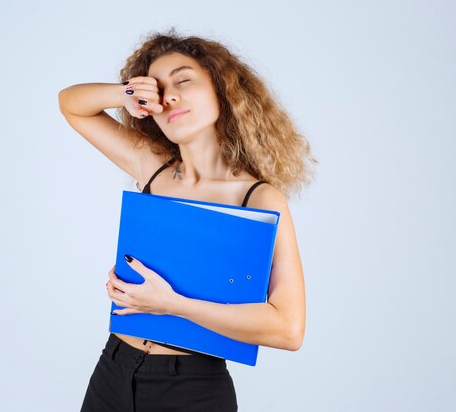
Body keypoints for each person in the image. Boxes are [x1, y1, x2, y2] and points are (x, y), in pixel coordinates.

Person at [58, 28, 316, 412]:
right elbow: (72, 104)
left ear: (221, 90)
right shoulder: (153, 168)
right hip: (114, 369)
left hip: (192, 388)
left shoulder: (259, 199)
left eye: (183, 80)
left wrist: (171, 304)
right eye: (157, 90)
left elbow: (288, 328)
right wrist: (128, 93)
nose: (169, 95)